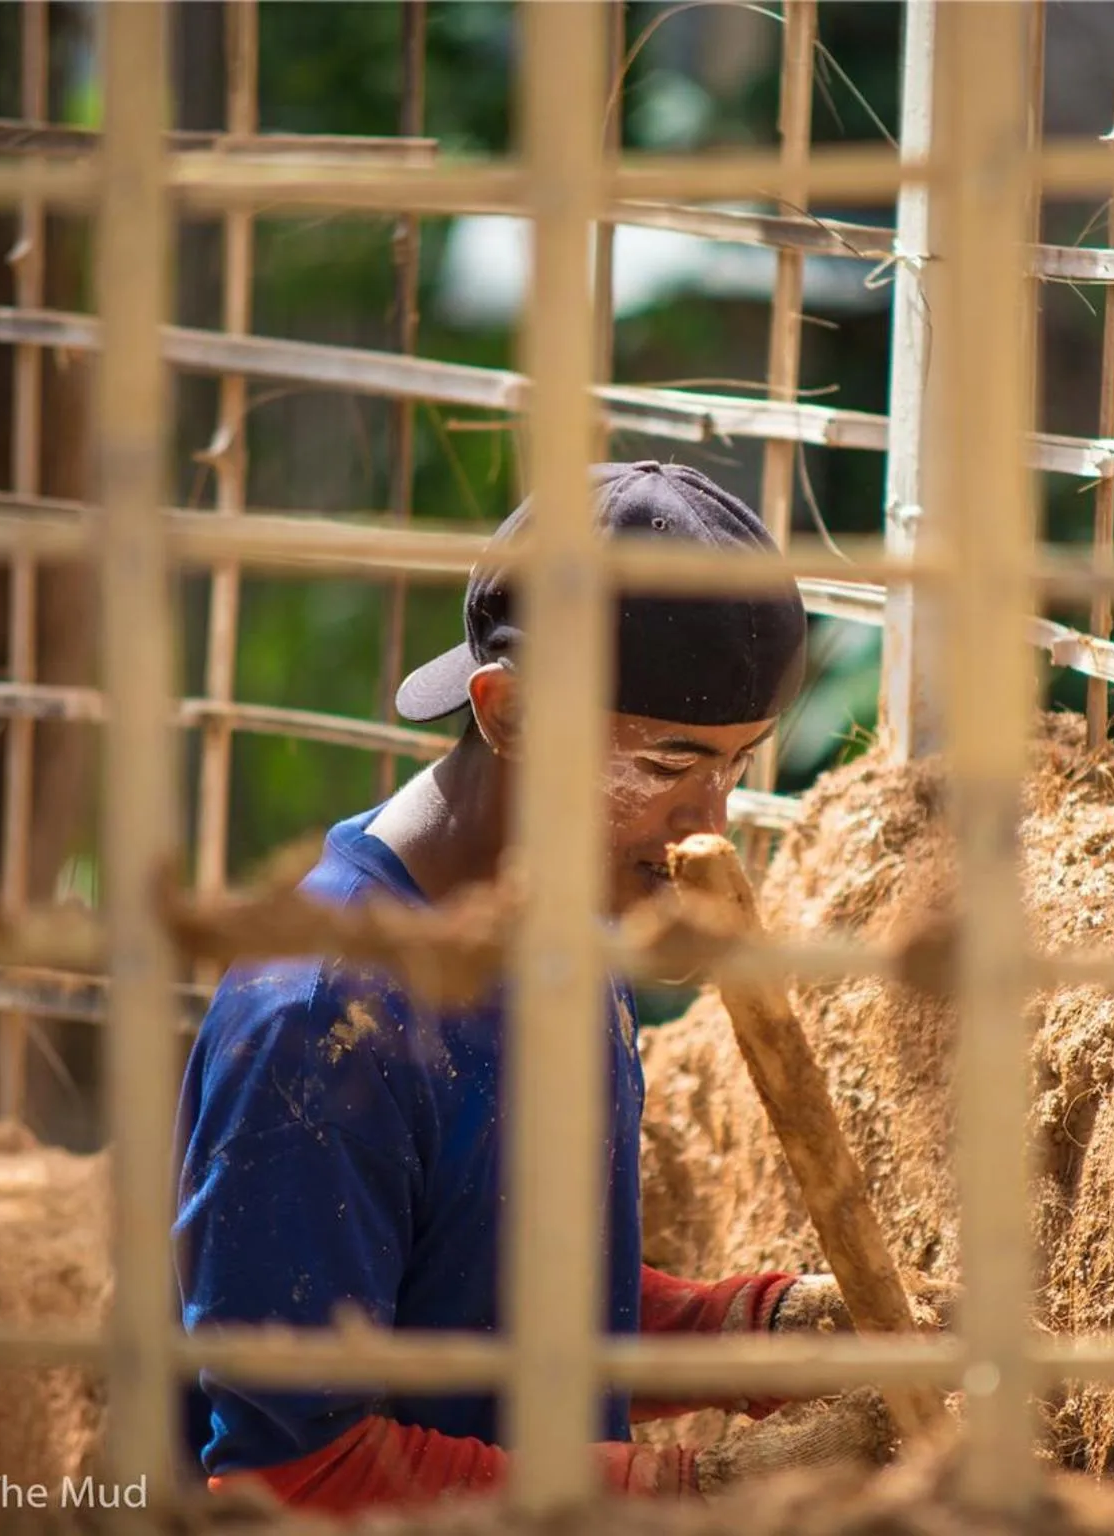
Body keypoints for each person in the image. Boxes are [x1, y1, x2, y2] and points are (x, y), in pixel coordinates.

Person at [174, 462, 949, 1512]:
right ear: (507, 713)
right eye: (668, 766)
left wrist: (755, 1331)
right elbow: (292, 1468)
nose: (706, 822)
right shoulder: (321, 1018)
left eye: (737, 765)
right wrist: (693, 1487)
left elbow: (488, 1312)